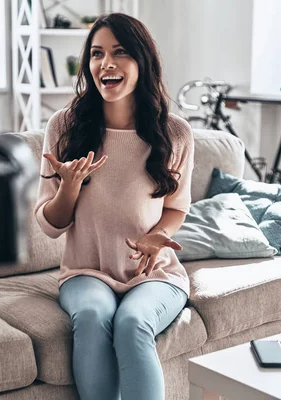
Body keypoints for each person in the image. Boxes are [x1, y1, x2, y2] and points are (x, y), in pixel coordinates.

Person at [34, 13, 194, 400]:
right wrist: (68, 187)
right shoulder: (64, 126)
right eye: (96, 53)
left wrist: (158, 236)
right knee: (91, 316)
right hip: (86, 271)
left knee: (133, 322)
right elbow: (50, 225)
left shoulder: (175, 133)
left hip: (156, 276)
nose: (106, 63)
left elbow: (176, 207)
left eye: (120, 52)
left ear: (143, 61)